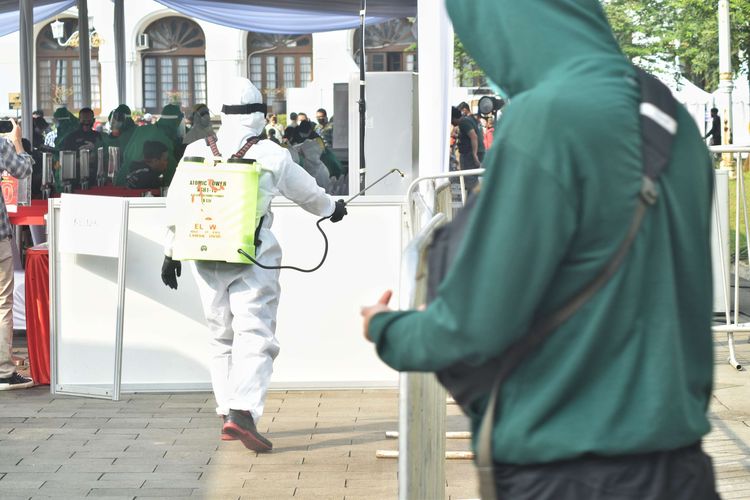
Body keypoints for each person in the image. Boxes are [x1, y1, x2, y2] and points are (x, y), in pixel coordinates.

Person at [361, 1, 718, 499]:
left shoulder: (547, 117)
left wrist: (387, 328)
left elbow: (473, 326)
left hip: (568, 467)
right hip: (680, 463)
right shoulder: (671, 120)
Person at [161, 77, 347, 452]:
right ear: (261, 115)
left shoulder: (196, 148)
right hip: (251, 257)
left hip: (203, 253)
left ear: (222, 114)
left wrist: (170, 251)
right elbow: (309, 193)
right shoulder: (270, 153)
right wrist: (333, 208)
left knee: (220, 334)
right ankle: (243, 410)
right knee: (256, 333)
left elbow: (176, 202)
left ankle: (227, 406)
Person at [0, 118, 33, 391]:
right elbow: (23, 170)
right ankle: (3, 370)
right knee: (2, 303)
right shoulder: (1, 145)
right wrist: (17, 140)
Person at [61, 107, 101, 186]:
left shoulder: (98, 136)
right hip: (75, 180)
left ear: (93, 120)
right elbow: (65, 161)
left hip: (95, 179)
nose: (86, 124)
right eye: (84, 121)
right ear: (79, 120)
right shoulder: (71, 137)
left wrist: (95, 151)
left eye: (89, 121)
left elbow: (104, 157)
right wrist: (83, 160)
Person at [456, 101, 484, 193]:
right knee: (473, 178)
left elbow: (474, 136)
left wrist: (474, 154)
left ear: (464, 110)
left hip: (471, 152)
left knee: (470, 180)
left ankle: (474, 202)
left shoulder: (465, 120)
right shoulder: (475, 119)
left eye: (460, 111)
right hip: (479, 150)